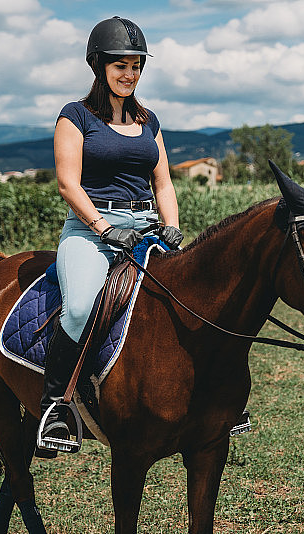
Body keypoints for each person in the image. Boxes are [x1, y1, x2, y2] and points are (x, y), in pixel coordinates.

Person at [37, 16, 183, 457]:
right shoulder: (75, 116)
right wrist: (104, 228)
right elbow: (68, 184)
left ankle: (212, 399)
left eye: (136, 66)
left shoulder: (148, 120)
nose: (130, 74)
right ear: (98, 66)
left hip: (146, 226)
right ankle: (56, 406)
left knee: (192, 294)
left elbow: (163, 183)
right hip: (92, 230)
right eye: (120, 65)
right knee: (80, 306)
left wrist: (172, 225)